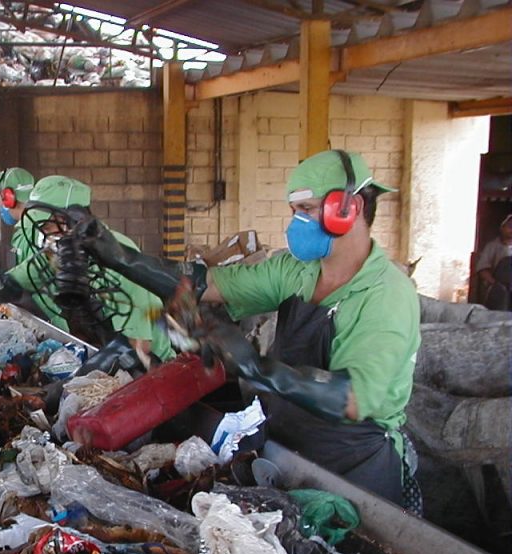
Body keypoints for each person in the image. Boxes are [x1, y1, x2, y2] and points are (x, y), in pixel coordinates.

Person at [84, 149, 421, 510]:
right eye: (294, 212)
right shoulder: (299, 270)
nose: (295, 223)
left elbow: (353, 397)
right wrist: (118, 255)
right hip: (289, 447)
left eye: (305, 210)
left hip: (355, 470)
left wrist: (254, 365)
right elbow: (206, 283)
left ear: (345, 209)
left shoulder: (387, 295)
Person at [0, 174, 172, 367]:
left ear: (72, 219)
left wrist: (83, 375)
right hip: (107, 352)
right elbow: (13, 282)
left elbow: (137, 346)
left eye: (47, 224)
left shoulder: (119, 257)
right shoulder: (61, 252)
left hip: (151, 368)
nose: (43, 233)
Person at [0, 166, 35, 265]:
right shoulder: (30, 227)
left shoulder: (28, 234)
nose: (0, 206)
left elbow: (30, 278)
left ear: (8, 198)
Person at [475, 213, 512, 311]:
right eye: (509, 226)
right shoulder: (492, 246)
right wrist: (496, 284)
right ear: (502, 228)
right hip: (500, 291)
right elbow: (482, 269)